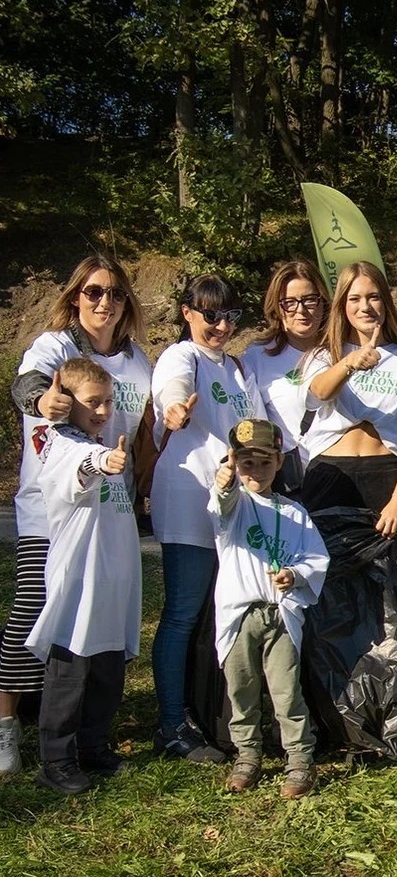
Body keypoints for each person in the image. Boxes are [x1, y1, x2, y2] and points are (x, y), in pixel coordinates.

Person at [2, 255, 151, 777]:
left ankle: (78, 734)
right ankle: (8, 730)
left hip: (110, 513)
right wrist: (43, 399)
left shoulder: (136, 361)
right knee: (35, 616)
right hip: (52, 508)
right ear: (75, 297)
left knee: (99, 625)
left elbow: (141, 431)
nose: (104, 302)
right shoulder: (56, 346)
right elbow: (26, 387)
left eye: (114, 293)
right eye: (92, 292)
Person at [298, 261, 397, 755]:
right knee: (326, 605)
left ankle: (382, 725)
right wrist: (350, 363)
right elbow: (317, 395)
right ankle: (331, 724)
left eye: (374, 297)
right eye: (355, 298)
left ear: (386, 302)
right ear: (342, 305)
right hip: (329, 484)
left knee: (385, 611)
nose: (365, 306)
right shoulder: (323, 355)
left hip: (384, 481)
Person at [150, 273, 265, 762]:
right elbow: (171, 392)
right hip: (190, 501)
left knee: (226, 614)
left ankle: (216, 714)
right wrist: (173, 410)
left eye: (229, 316)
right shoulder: (183, 356)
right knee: (182, 614)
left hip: (233, 506)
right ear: (187, 313)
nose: (219, 325)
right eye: (210, 314)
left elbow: (259, 428)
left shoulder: (237, 367)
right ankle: (172, 725)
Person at [22, 358, 138, 794]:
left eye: (108, 401)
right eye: (93, 402)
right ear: (67, 401)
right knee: (70, 673)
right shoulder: (60, 446)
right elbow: (82, 466)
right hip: (80, 582)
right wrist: (104, 461)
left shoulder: (94, 438)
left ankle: (93, 746)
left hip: (111, 580)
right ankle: (55, 760)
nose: (104, 410)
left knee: (107, 670)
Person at [210, 419, 328, 799]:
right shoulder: (233, 508)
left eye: (263, 463)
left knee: (285, 689)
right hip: (240, 615)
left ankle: (299, 757)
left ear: (279, 462)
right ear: (234, 464)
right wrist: (225, 480)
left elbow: (316, 556)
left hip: (281, 615)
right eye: (246, 464)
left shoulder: (295, 513)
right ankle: (247, 752)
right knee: (240, 687)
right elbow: (221, 500)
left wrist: (294, 575)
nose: (255, 472)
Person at [240, 260, 330, 496]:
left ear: (323, 303)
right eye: (289, 303)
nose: (301, 310)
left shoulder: (343, 352)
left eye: (310, 299)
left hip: (339, 478)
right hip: (287, 484)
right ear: (277, 309)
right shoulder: (257, 357)